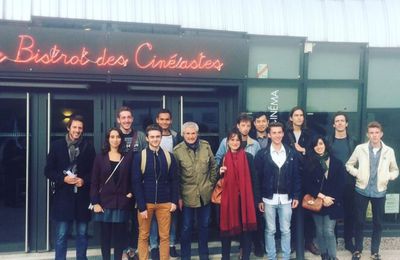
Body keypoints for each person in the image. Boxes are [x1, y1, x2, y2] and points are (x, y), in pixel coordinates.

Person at [44, 115, 96, 260]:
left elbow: (94, 172)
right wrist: (63, 179)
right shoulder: (56, 146)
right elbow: (48, 170)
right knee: (61, 235)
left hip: (82, 198)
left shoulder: (89, 147)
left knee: (82, 234)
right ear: (68, 128)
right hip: (63, 198)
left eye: (80, 128)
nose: (77, 130)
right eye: (74, 127)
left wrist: (84, 181)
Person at [346, 121, 399, 260]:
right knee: (359, 221)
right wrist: (358, 174)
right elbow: (349, 164)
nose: (374, 135)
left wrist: (389, 176)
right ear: (367, 134)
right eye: (371, 133)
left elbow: (395, 170)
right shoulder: (360, 148)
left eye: (377, 133)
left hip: (379, 191)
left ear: (381, 134)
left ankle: (375, 252)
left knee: (378, 223)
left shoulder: (389, 151)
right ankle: (358, 250)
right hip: (361, 190)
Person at [132, 124, 179, 260]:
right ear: (147, 138)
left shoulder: (169, 156)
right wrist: (141, 206)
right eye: (152, 137)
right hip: (146, 203)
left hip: (165, 203)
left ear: (161, 138)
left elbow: (174, 181)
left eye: (158, 136)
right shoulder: (139, 156)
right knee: (143, 235)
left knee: (165, 236)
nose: (155, 139)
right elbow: (136, 182)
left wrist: (174, 201)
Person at [255, 121, 301, 260]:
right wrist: (259, 199)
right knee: (270, 230)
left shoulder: (291, 153)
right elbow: (257, 179)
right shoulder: (262, 154)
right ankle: (272, 257)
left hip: (286, 199)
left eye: (279, 132)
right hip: (268, 199)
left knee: (286, 230)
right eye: (273, 132)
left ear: (283, 133)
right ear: (269, 135)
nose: (277, 135)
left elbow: (296, 176)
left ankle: (286, 257)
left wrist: (296, 196)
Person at [173, 122, 218, 260]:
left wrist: (210, 185)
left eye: (193, 133)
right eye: (188, 133)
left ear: (197, 134)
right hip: (187, 196)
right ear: (183, 134)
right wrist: (179, 197)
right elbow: (176, 177)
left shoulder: (205, 146)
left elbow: (213, 166)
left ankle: (204, 255)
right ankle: (185, 256)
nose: (191, 136)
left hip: (205, 194)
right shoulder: (177, 150)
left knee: (204, 226)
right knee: (186, 227)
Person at [90, 128, 133, 260]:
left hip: (121, 202)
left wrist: (130, 194)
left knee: (120, 237)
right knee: (106, 237)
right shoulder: (100, 158)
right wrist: (95, 202)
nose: (115, 140)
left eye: (118, 137)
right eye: (112, 137)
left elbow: (132, 178)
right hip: (104, 202)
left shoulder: (127, 157)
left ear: (121, 139)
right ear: (108, 139)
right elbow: (94, 182)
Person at [218, 128, 260, 260]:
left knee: (246, 231)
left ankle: (245, 256)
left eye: (237, 140)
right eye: (232, 140)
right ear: (227, 142)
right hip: (229, 200)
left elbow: (254, 180)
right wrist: (220, 172)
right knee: (226, 231)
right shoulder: (224, 158)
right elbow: (216, 180)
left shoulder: (248, 157)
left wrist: (257, 200)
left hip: (245, 200)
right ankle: (225, 257)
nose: (235, 142)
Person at [283, 106, 319, 255]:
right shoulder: (285, 134)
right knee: (291, 212)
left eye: (301, 115)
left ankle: (309, 241)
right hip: (289, 177)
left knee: (308, 210)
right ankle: (292, 242)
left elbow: (317, 150)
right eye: (296, 115)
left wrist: (303, 150)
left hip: (307, 176)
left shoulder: (310, 134)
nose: (299, 118)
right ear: (291, 118)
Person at [304, 136, 345, 260]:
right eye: (316, 145)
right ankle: (324, 256)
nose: (319, 147)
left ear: (325, 145)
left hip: (332, 202)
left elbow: (341, 184)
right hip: (317, 201)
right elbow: (306, 184)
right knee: (320, 231)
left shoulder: (337, 162)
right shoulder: (310, 162)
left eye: (321, 143)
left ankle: (333, 257)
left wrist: (330, 199)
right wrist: (322, 197)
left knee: (328, 231)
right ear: (313, 147)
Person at [150, 109, 181, 258]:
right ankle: (154, 245)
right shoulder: (152, 135)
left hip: (170, 180)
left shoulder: (176, 137)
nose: (164, 122)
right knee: (154, 218)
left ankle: (171, 244)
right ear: (157, 120)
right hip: (154, 181)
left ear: (171, 121)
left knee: (171, 215)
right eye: (161, 119)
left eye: (167, 119)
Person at [116, 106, 146, 260]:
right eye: (123, 117)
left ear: (132, 119)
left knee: (137, 220)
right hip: (120, 186)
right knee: (121, 220)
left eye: (129, 117)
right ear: (118, 120)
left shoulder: (140, 136)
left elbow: (146, 158)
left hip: (137, 184)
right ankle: (122, 250)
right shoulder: (114, 135)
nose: (126, 120)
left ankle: (133, 249)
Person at [326, 112, 357, 252]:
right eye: (337, 121)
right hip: (333, 183)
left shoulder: (353, 142)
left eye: (342, 120)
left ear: (346, 124)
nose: (339, 123)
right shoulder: (328, 141)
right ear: (333, 124)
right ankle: (335, 239)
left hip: (350, 183)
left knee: (350, 213)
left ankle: (348, 240)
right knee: (334, 213)